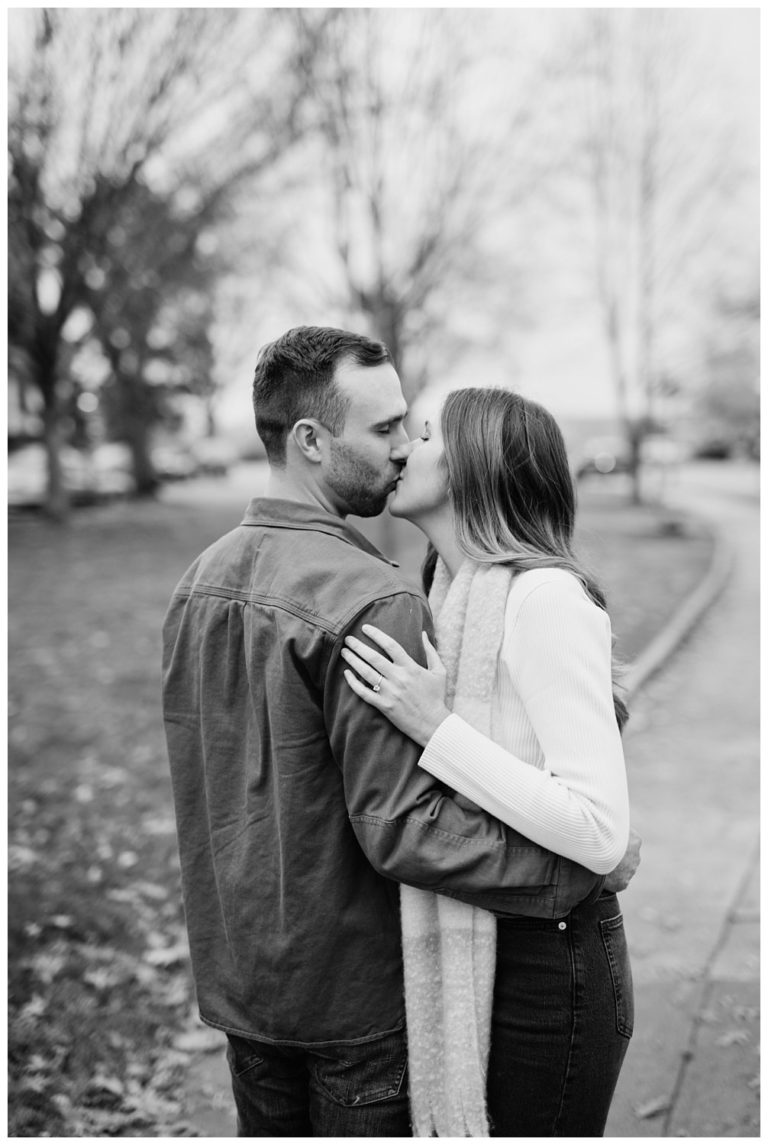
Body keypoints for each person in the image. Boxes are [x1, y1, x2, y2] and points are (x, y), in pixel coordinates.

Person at [162, 327, 638, 1138]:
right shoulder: (385, 598)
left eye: (415, 431)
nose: (401, 448)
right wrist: (578, 871)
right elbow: (406, 827)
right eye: (388, 428)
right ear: (310, 439)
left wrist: (583, 841)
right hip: (356, 996)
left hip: (246, 989)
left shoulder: (195, 584)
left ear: (476, 470)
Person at [341, 385, 635, 1137]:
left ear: (477, 466)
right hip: (491, 934)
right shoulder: (444, 597)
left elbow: (598, 829)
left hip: (551, 964)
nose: (405, 446)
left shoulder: (544, 598)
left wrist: (436, 725)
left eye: (430, 434)